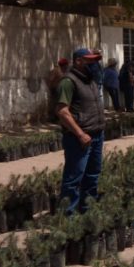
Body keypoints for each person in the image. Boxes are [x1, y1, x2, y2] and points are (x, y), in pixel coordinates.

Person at [56, 48, 106, 214]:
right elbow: (62, 111)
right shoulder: (68, 82)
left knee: (92, 176)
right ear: (78, 61)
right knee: (73, 179)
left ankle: (88, 212)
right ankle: (67, 218)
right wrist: (80, 134)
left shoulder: (90, 80)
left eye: (95, 61)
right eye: (90, 60)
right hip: (79, 139)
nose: (94, 64)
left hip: (96, 135)